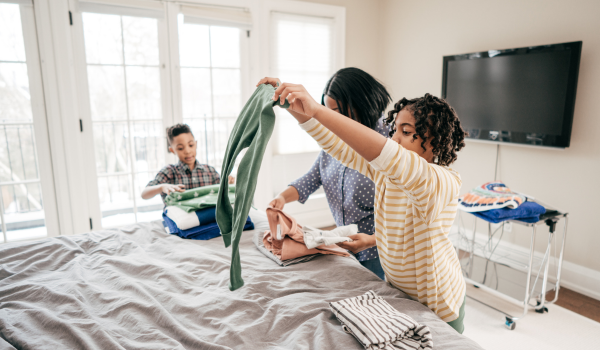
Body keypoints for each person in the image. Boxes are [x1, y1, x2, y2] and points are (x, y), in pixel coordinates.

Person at [259, 77, 468, 333]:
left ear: (434, 139)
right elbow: (339, 148)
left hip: (440, 305)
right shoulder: (386, 175)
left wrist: (317, 109)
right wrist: (293, 106)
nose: (395, 138)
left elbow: (393, 158)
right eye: (394, 130)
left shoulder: (441, 181)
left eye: (406, 131)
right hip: (403, 295)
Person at [266, 68, 392, 280]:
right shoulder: (335, 142)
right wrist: (282, 198)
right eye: (327, 109)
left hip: (379, 252)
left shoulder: (388, 142)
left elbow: (405, 216)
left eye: (337, 111)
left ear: (361, 104)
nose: (330, 119)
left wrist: (372, 240)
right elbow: (312, 178)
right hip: (345, 245)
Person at [141, 123, 234, 203]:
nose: (187, 151)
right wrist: (161, 187)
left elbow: (222, 192)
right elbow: (144, 194)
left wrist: (228, 183)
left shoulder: (210, 171)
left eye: (191, 145)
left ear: (196, 144)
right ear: (172, 150)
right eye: (180, 148)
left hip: (206, 220)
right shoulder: (169, 172)